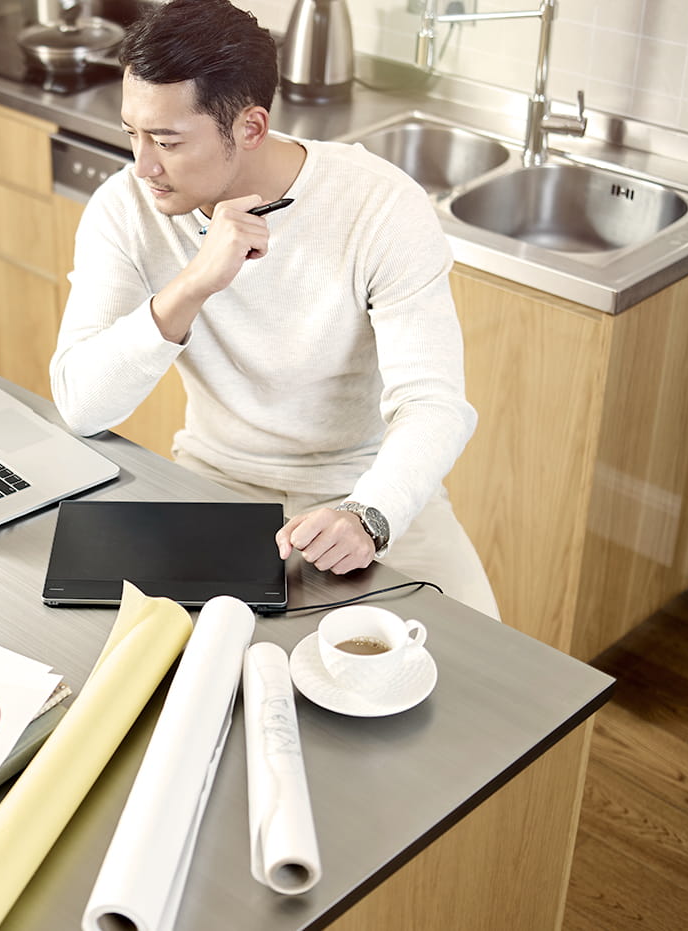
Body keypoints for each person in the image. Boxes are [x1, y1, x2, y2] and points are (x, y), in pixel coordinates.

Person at [49, 0, 499, 619]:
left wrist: (370, 514)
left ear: (251, 128)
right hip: (217, 486)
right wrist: (194, 283)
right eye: (132, 132)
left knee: (488, 669)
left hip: (366, 490)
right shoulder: (124, 209)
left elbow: (434, 404)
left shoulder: (380, 206)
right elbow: (81, 405)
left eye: (167, 140)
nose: (142, 165)